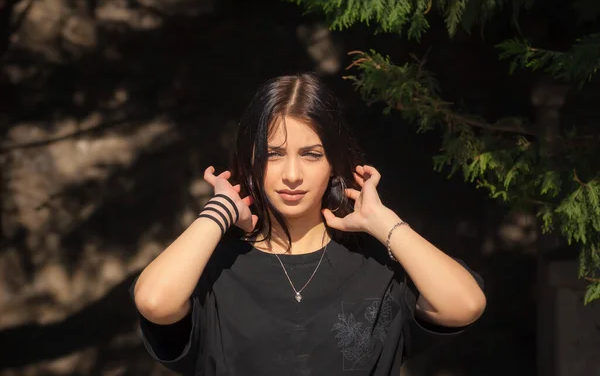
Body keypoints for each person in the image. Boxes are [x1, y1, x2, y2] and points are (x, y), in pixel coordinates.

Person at [130, 73, 486, 375]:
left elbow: (464, 305)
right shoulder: (215, 266)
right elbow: (154, 301)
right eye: (273, 154)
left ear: (333, 162)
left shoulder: (379, 265)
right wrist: (220, 209)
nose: (292, 175)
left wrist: (385, 222)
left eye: (311, 155)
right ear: (249, 159)